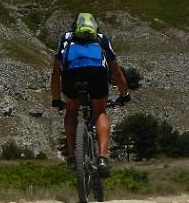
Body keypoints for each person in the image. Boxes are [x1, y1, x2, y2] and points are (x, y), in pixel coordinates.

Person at [50, 12, 130, 177]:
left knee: (71, 109)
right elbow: (116, 70)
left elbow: (56, 71)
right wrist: (124, 94)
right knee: (100, 111)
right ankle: (102, 158)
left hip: (71, 75)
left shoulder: (66, 38)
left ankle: (72, 157)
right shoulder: (101, 38)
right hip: (96, 73)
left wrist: (56, 99)